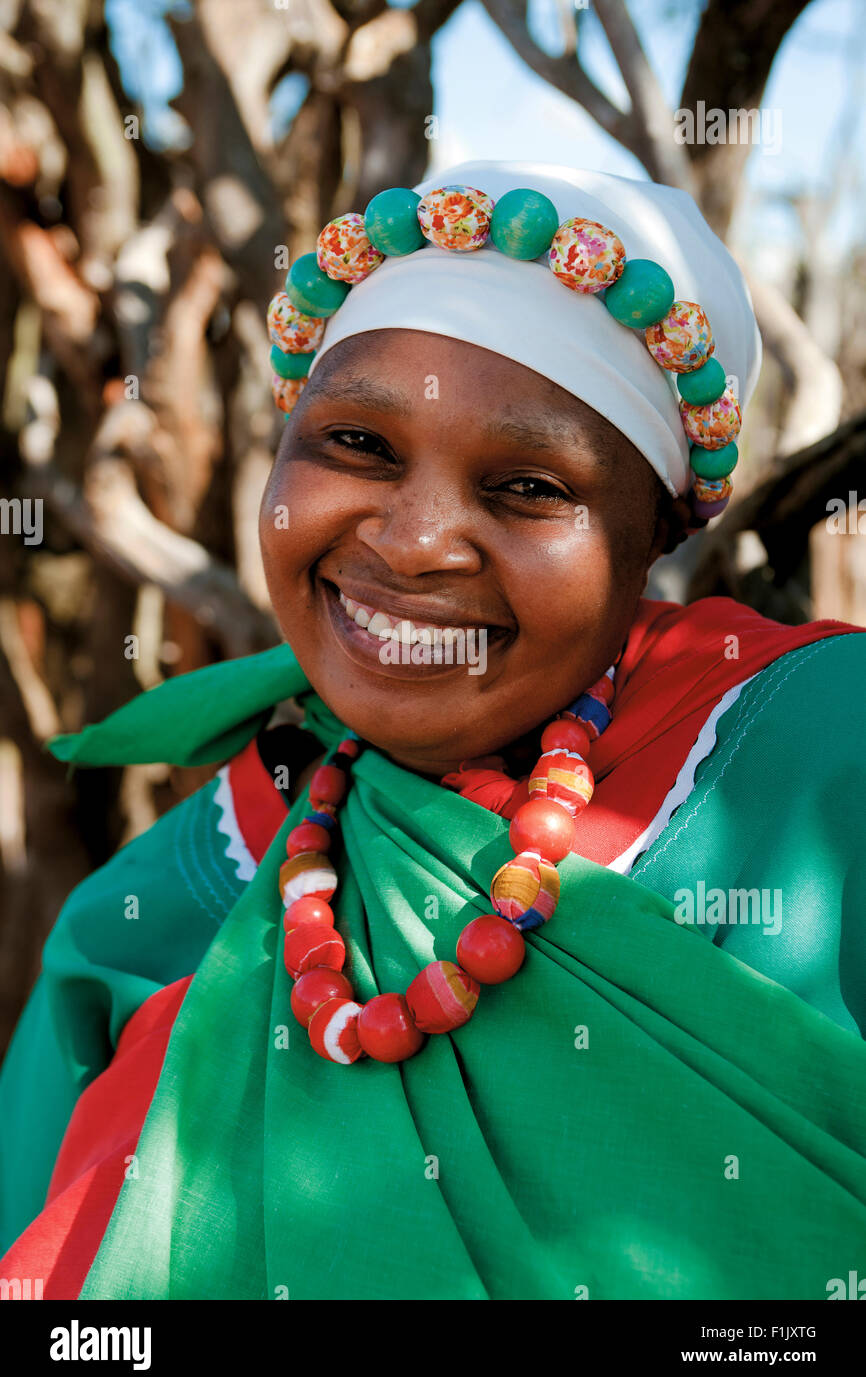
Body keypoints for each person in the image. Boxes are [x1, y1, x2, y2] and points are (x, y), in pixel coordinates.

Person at [2, 161, 865, 1301]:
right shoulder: (185, 880)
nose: (413, 543)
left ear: (649, 532)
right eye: (356, 445)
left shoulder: (811, 760)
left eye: (525, 485)